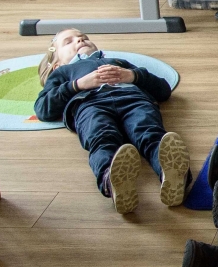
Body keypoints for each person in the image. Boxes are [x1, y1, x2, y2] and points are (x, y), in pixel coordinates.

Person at [34, 29, 191, 212]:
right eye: (68, 42)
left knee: (149, 133)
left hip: (133, 99)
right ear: (57, 64)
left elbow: (163, 90)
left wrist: (132, 76)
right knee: (102, 138)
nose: (79, 39)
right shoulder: (63, 72)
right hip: (90, 105)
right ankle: (112, 181)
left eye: (84, 37)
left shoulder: (116, 62)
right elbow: (43, 108)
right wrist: (78, 85)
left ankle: (174, 175)